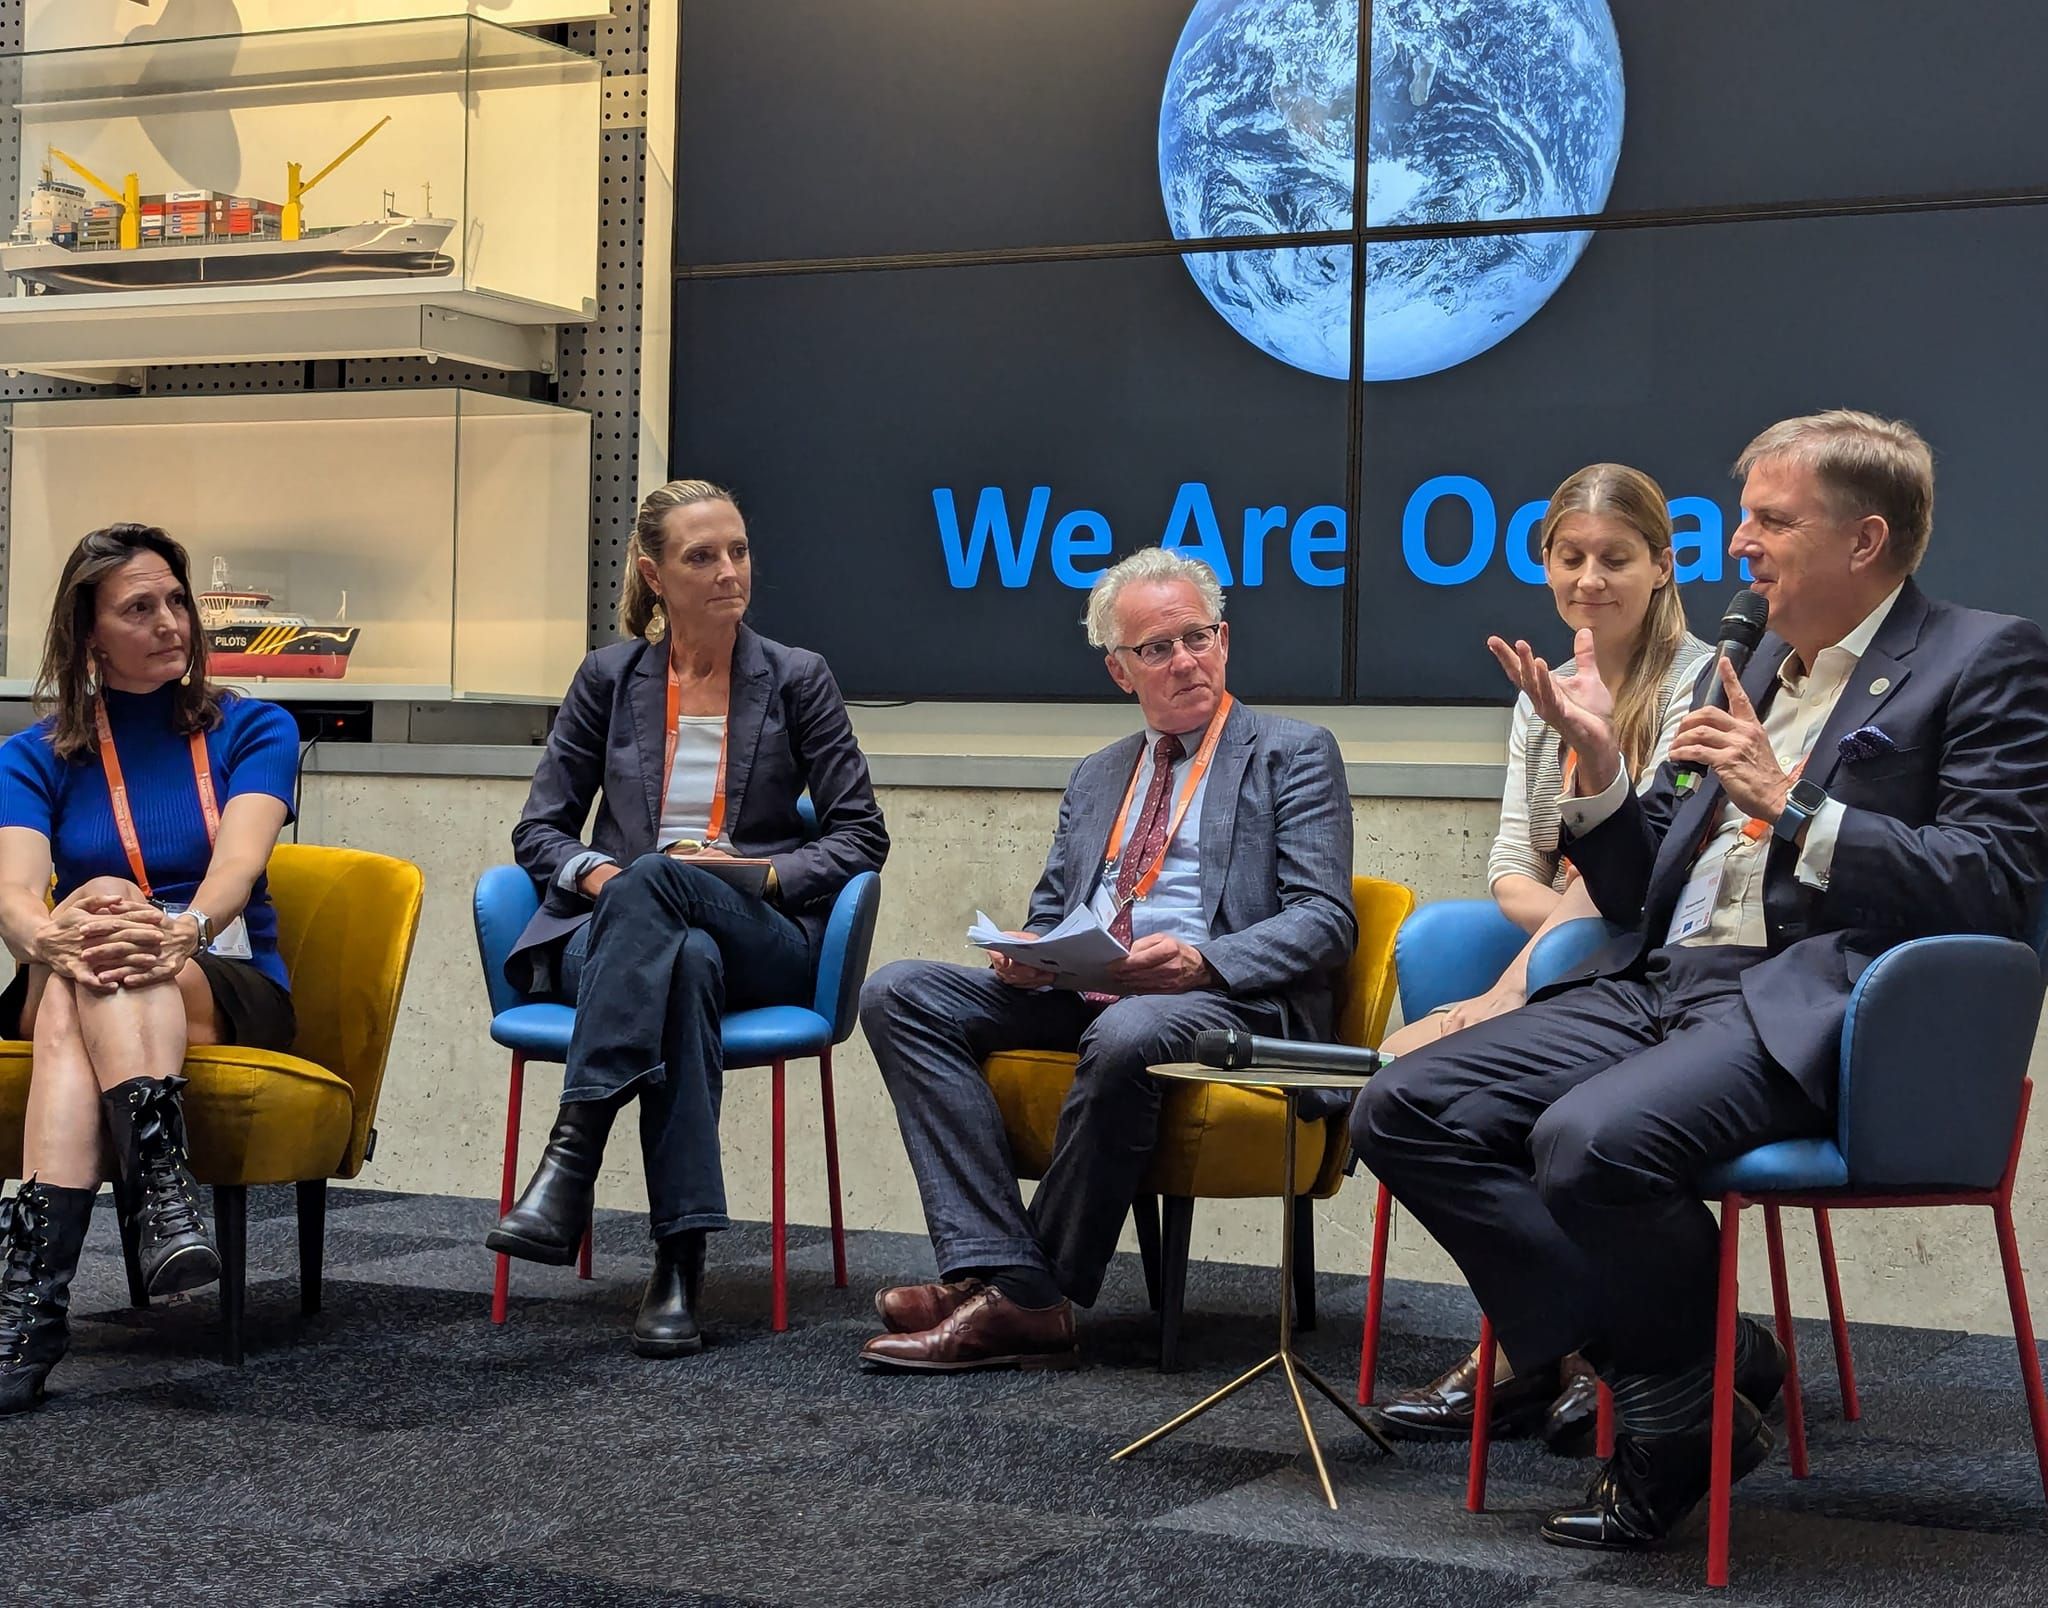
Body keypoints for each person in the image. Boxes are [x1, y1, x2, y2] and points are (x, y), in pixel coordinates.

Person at [1351, 410, 2048, 1550]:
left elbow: (1993, 880)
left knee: (1587, 1141)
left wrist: (1795, 809)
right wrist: (1597, 774)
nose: (1739, 543)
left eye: (1769, 521)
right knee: (1405, 1105)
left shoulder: (1980, 657)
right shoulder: (1757, 661)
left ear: (1863, 540)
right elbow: (1636, 882)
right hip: (1659, 980)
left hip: (1809, 1000)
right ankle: (1706, 1366)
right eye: (1742, 518)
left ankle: (1672, 1420)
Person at [858, 546, 1355, 1372]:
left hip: (1223, 1001)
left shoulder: (1293, 753)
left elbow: (1324, 921)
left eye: (1196, 638)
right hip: (1092, 990)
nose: (1184, 661)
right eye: (1156, 650)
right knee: (899, 993)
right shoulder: (1098, 775)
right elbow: (1053, 912)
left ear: (1224, 641)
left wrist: (1203, 961)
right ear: (1121, 672)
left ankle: (1022, 1298)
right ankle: (1006, 1273)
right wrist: (1031, 957)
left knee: (1129, 1031)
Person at [489, 479, 888, 1357]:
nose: (727, 572)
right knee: (681, 954)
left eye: (738, 551)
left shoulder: (795, 678)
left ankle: (572, 1158)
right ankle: (678, 1267)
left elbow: (861, 837)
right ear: (654, 574)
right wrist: (601, 881)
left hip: (761, 932)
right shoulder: (608, 678)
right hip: (625, 932)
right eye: (701, 557)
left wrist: (756, 873)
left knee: (682, 905)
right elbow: (541, 829)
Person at [1372, 464, 1712, 1454]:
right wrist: (1553, 935)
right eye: (1570, 557)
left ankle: (1549, 1353)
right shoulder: (1540, 693)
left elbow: (1642, 879)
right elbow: (1510, 869)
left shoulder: (1699, 685)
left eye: (1615, 558)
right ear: (1544, 563)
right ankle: (1586, 1350)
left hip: (1653, 965)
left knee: (1471, 1098)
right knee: (1412, 1101)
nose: (1589, 578)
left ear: (1661, 564)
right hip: (1564, 947)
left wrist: (1503, 991)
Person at [0, 523, 300, 1416]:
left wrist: (178, 925)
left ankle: (28, 1309)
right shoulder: (34, 752)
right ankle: (161, 1195)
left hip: (217, 967)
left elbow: (238, 868)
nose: (171, 621)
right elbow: (16, 893)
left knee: (101, 950)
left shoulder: (255, 725)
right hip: (82, 963)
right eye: (140, 607)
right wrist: (52, 935)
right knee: (91, 919)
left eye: (177, 601)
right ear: (89, 632)